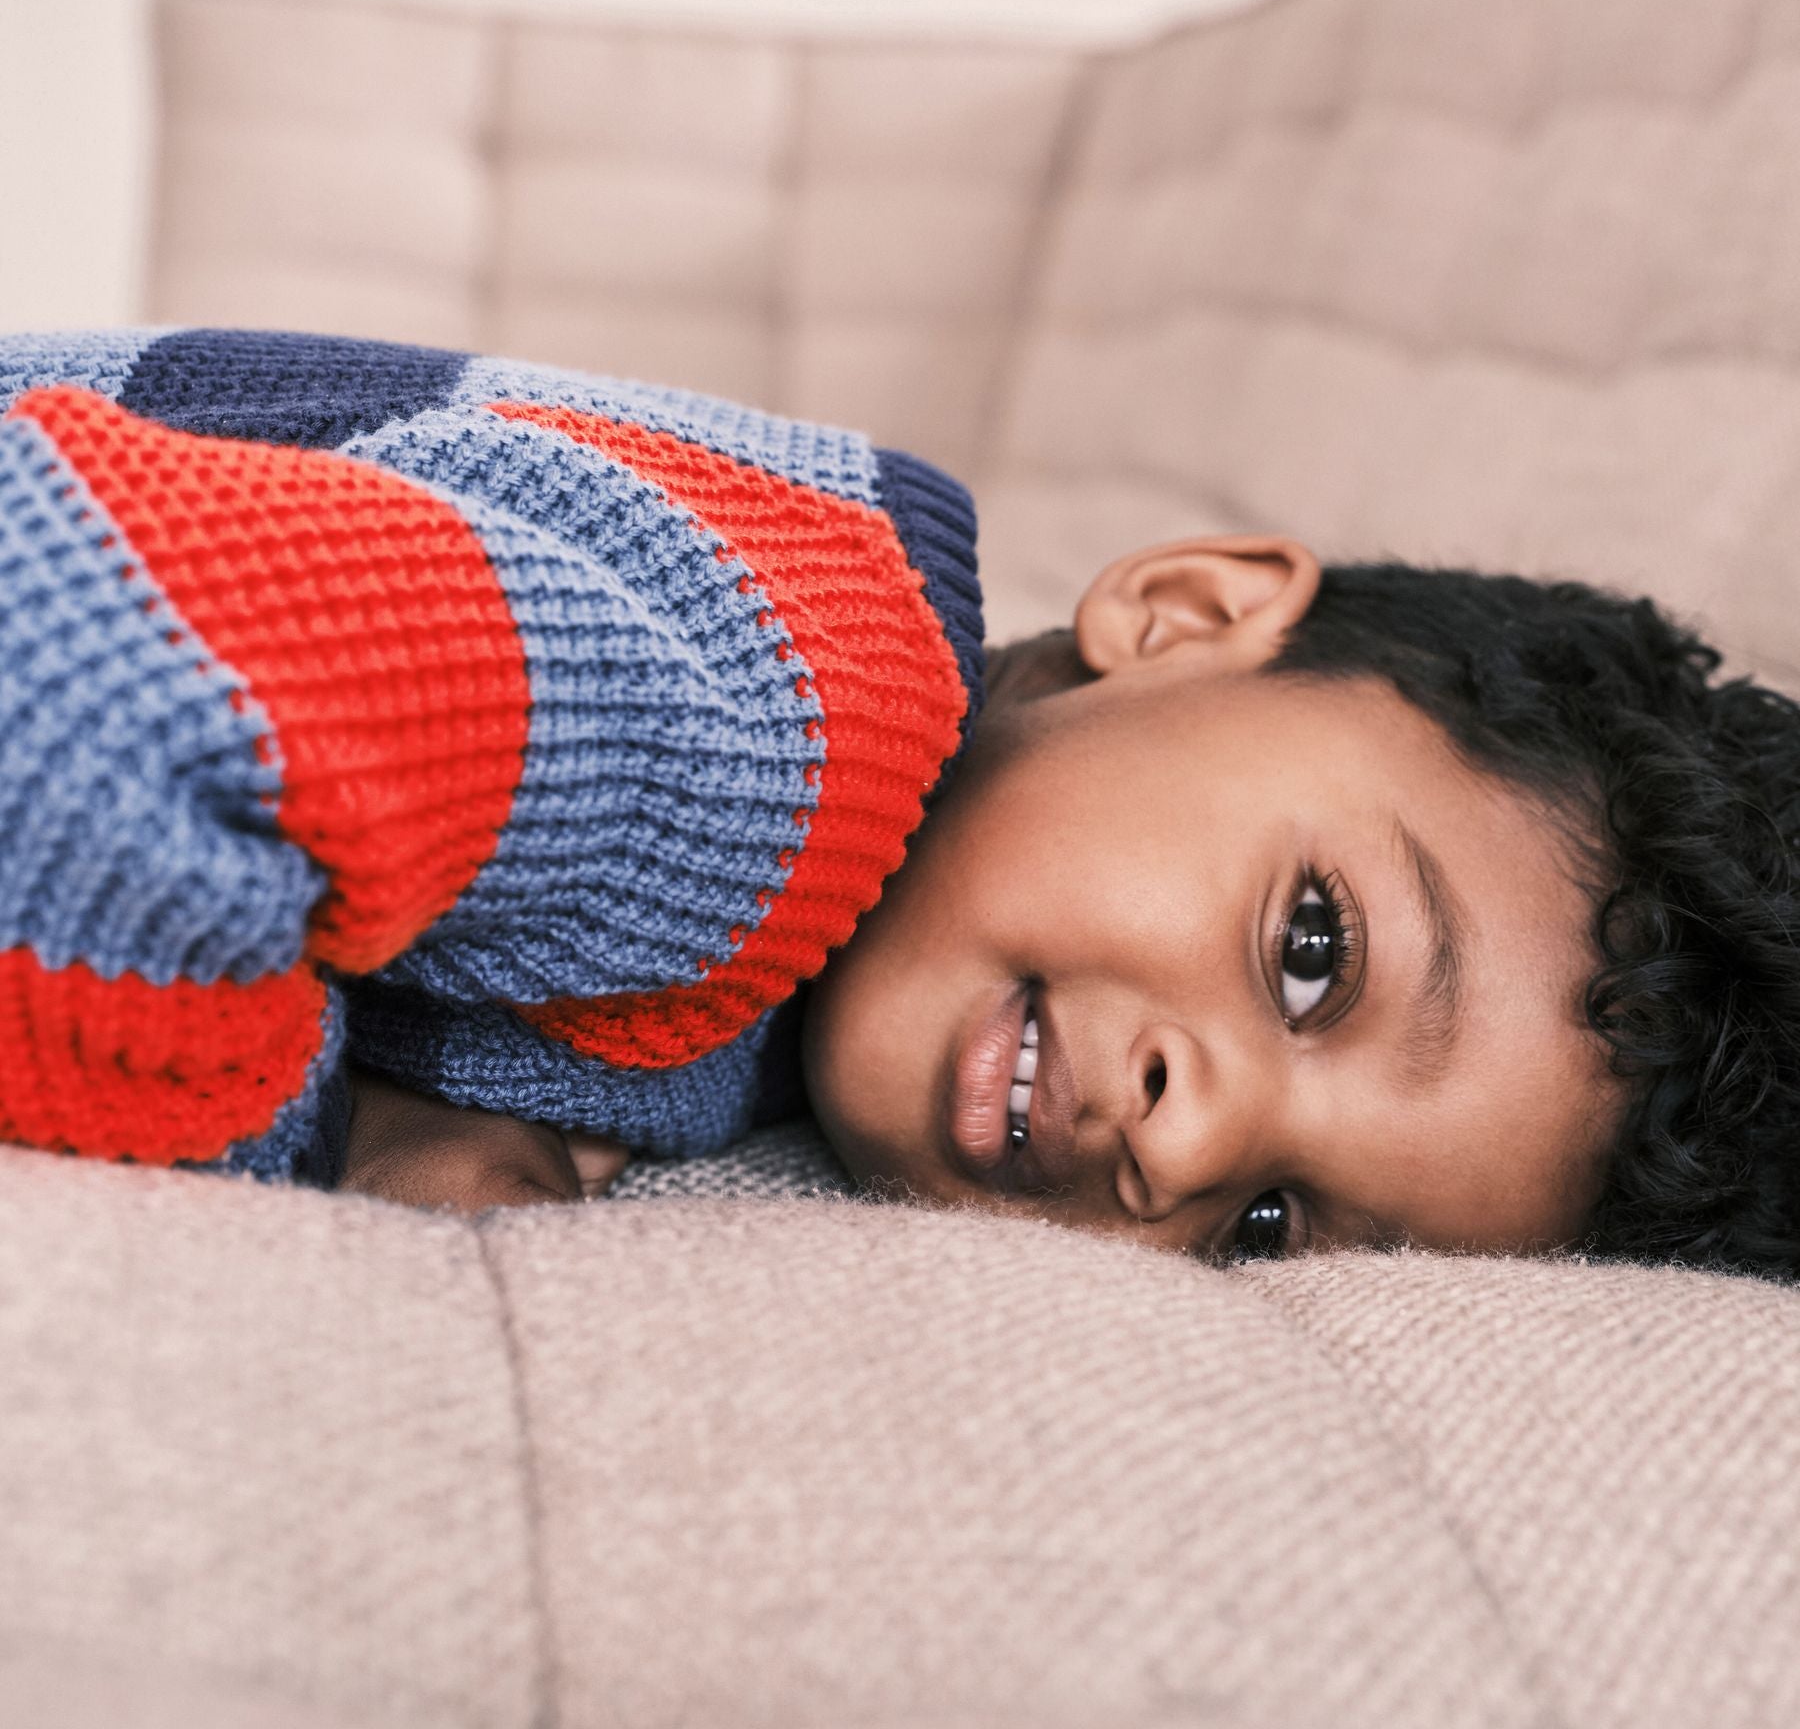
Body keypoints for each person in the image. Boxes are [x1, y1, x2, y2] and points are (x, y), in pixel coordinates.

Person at [3, 328, 1795, 1279]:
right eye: (1312, 951)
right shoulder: (768, 708)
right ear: (1182, 620)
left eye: (1268, 1222)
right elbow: (65, 687)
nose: (1184, 1135)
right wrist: (310, 1153)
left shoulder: (824, 963)